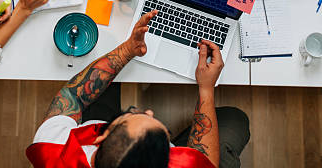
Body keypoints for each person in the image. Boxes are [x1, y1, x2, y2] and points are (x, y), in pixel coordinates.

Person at [27, 11, 250, 168]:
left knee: (106, 83)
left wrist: (126, 51)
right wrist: (206, 89)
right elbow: (204, 161)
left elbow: (71, 97)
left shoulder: (53, 151)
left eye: (132, 115)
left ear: (99, 139)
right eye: (165, 134)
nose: (149, 112)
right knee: (236, 119)